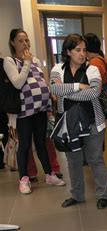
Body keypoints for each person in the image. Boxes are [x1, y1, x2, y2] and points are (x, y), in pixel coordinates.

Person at [50, 33, 107, 209]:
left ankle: (102, 195)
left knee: (95, 159)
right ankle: (77, 195)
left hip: (92, 121)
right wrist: (77, 86)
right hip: (68, 124)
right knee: (73, 160)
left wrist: (65, 91)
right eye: (77, 50)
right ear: (68, 51)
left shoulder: (92, 69)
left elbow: (93, 93)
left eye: (84, 50)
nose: (82, 54)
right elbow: (53, 88)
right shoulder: (57, 69)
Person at [4, 29, 65, 193]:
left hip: (41, 109)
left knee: (42, 143)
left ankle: (49, 174)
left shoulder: (36, 60)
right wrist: (26, 62)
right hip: (24, 112)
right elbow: (18, 83)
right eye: (20, 40)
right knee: (24, 145)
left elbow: (42, 81)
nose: (25, 43)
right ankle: (23, 179)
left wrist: (50, 95)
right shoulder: (10, 61)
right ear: (12, 42)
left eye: (26, 40)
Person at [84, 33, 107, 186]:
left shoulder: (95, 63)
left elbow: (93, 87)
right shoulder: (101, 60)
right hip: (105, 108)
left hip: (100, 109)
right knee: (104, 141)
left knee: (101, 142)